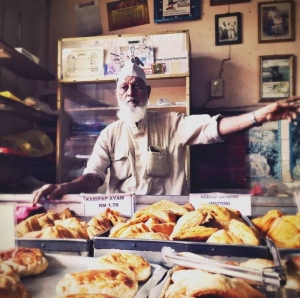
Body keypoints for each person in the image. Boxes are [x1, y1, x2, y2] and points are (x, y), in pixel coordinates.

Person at [32, 62, 300, 205]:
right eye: (124, 87)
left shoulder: (172, 123)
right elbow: (92, 178)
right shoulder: (109, 135)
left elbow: (213, 127)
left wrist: (259, 116)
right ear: (117, 94)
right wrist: (63, 187)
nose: (130, 93)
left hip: (170, 217)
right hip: (123, 220)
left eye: (137, 87)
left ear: (147, 94)